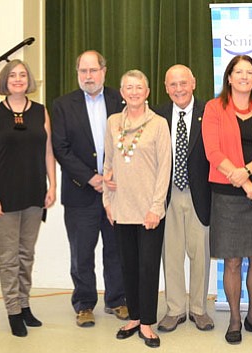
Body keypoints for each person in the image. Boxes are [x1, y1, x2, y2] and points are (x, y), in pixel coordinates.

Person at [202, 55, 252, 345]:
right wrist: (243, 182)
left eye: (250, 72)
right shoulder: (214, 108)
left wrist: (247, 173)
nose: (244, 76)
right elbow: (213, 151)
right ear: (229, 78)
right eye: (239, 72)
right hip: (227, 194)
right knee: (232, 262)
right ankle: (235, 318)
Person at [0, 59, 56, 337]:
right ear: (5, 81)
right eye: (13, 75)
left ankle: (24, 305)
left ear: (29, 80)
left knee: (26, 255)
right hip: (4, 196)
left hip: (34, 192)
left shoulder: (40, 112)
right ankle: (12, 311)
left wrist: (52, 185)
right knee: (9, 257)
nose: (18, 79)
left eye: (23, 74)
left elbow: (48, 151)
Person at [51, 50, 127, 327]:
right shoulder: (62, 105)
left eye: (93, 70)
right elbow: (61, 148)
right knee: (81, 253)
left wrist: (110, 176)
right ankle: (84, 304)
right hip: (79, 192)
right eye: (83, 71)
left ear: (104, 72)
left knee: (116, 249)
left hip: (116, 191)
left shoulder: (120, 101)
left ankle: (117, 300)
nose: (88, 76)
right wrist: (91, 177)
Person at [103, 70, 171, 348]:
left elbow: (164, 168)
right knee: (127, 266)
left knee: (147, 267)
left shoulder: (158, 124)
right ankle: (133, 316)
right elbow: (108, 164)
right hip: (121, 208)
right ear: (122, 92)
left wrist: (156, 207)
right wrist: (107, 201)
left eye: (138, 87)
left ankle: (146, 322)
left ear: (148, 91)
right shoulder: (112, 123)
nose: (133, 92)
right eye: (128, 87)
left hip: (148, 211)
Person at [154, 65, 214, 332]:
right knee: (172, 254)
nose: (178, 89)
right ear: (166, 88)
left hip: (200, 193)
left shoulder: (209, 112)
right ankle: (175, 309)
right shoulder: (157, 115)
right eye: (173, 84)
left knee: (200, 254)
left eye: (183, 83)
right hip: (168, 194)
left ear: (193, 83)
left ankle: (199, 309)